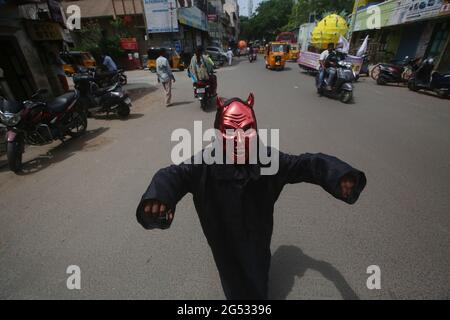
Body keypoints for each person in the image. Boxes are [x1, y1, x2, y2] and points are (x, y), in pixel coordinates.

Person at [136, 93, 367, 300]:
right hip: (222, 237)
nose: (239, 139)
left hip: (257, 235)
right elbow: (174, 175)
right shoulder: (204, 164)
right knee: (232, 279)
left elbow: (305, 164)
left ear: (256, 130)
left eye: (246, 129)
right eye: (230, 130)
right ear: (218, 133)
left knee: (257, 276)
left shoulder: (268, 160)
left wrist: (338, 175)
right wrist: (160, 195)